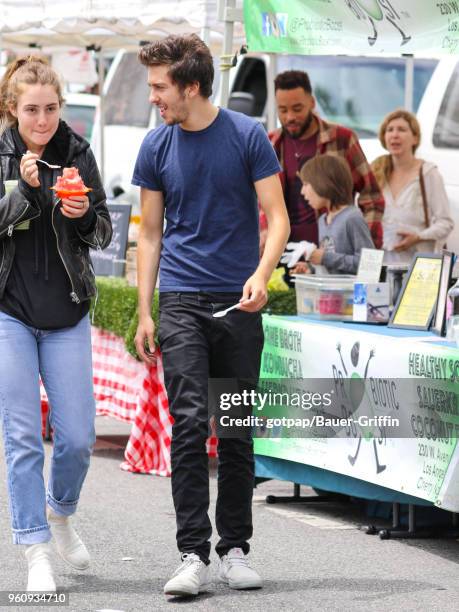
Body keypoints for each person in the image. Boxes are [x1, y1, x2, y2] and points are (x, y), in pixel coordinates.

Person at [132, 34, 289, 598]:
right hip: (180, 301)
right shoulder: (156, 145)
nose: (153, 96)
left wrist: (261, 275)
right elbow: (149, 234)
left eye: (159, 86)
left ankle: (235, 549)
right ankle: (192, 553)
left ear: (191, 86)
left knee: (237, 428)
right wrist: (145, 310)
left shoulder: (248, 136)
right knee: (192, 422)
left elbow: (277, 218)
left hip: (238, 304)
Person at [0, 57, 112, 591]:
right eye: (31, 110)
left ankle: (60, 511)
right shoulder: (1, 154)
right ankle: (35, 547)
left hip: (67, 312)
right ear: (12, 109)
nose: (42, 120)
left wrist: (82, 214)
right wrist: (20, 193)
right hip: (10, 314)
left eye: (50, 109)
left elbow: (104, 233)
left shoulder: (78, 152)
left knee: (78, 438)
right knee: (21, 437)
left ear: (60, 107)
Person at [260, 69, 384, 252]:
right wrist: (263, 232)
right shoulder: (270, 143)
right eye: (283, 110)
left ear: (312, 103)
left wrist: (362, 244)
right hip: (280, 252)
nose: (290, 117)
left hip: (332, 255)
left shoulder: (342, 138)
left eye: (297, 108)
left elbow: (372, 197)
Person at [371, 109, 453, 263]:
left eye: (401, 130)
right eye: (390, 130)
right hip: (380, 266)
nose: (395, 135)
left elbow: (445, 223)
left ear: (415, 138)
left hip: (418, 267)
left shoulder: (428, 173)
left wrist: (418, 237)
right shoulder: (376, 171)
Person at [284, 154, 374, 275]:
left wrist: (325, 258)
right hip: (328, 294)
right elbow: (332, 265)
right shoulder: (322, 220)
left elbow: (370, 265)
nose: (302, 191)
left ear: (323, 183)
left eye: (305, 184)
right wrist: (311, 268)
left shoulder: (352, 218)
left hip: (352, 294)